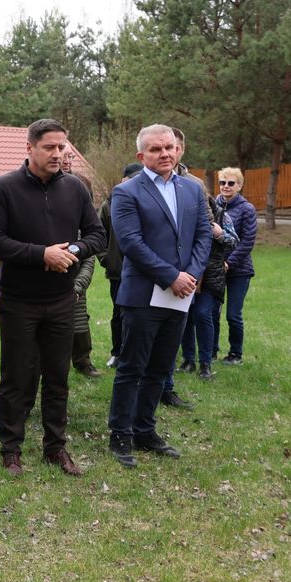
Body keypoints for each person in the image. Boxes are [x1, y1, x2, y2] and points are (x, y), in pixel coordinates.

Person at [0, 119, 106, 479]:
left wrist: (74, 249)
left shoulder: (76, 189)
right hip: (19, 299)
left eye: (62, 146)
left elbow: (98, 236)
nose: (59, 153)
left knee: (58, 375)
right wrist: (42, 255)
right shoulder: (5, 188)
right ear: (30, 148)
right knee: (17, 376)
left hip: (62, 297)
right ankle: (11, 449)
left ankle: (55, 447)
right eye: (50, 147)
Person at [107, 124, 211, 468]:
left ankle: (145, 429)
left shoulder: (192, 190)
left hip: (181, 295)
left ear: (178, 150)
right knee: (132, 367)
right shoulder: (127, 192)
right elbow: (131, 243)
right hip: (143, 294)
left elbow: (202, 236)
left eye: (169, 147)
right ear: (141, 156)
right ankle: (120, 433)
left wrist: (191, 276)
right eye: (156, 149)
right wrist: (171, 276)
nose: (165, 153)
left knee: (161, 367)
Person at [182, 197, 238, 380]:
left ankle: (205, 364)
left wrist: (220, 234)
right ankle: (188, 360)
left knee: (202, 314)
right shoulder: (185, 214)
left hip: (212, 275)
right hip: (188, 272)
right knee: (186, 316)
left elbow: (234, 241)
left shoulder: (221, 215)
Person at [60, 145, 101, 378]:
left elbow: (92, 225)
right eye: (63, 155)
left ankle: (83, 359)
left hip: (80, 246)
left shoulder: (82, 182)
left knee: (80, 314)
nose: (66, 159)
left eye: (69, 155)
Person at [98, 163, 144, 368]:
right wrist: (106, 259)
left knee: (141, 315)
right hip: (117, 271)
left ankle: (138, 354)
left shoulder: (147, 202)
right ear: (123, 179)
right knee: (118, 314)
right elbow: (99, 235)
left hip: (143, 270)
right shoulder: (108, 205)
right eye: (131, 178)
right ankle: (117, 353)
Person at [215, 167, 257, 365]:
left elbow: (247, 241)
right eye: (222, 182)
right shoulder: (214, 205)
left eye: (230, 183)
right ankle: (211, 350)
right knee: (211, 312)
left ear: (239, 186)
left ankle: (235, 354)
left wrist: (229, 263)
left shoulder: (246, 209)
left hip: (239, 270)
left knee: (233, 314)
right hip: (215, 269)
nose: (226, 186)